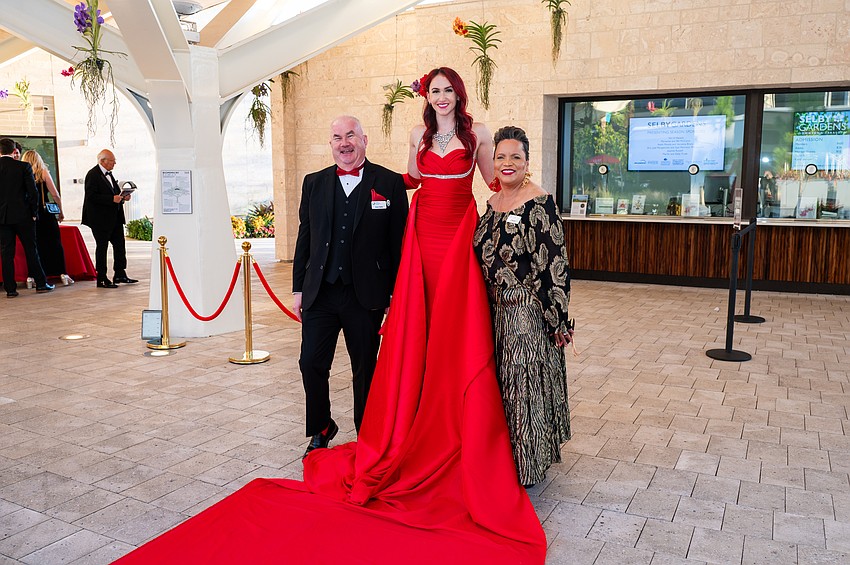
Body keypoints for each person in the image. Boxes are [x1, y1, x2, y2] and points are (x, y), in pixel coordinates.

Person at [113, 69, 546, 565]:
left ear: (458, 95)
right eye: (435, 90)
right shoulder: (414, 137)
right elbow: (411, 181)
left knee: (441, 338)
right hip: (411, 240)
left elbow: (493, 178)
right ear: (426, 96)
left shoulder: (479, 135)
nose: (442, 97)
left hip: (455, 231)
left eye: (449, 90)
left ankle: (427, 421)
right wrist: (306, 284)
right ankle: (338, 428)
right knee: (335, 358)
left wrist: (523, 187)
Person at [292, 115, 408, 457]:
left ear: (364, 139)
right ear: (330, 144)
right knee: (310, 361)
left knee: (365, 369)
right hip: (321, 291)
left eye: (351, 136)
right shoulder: (313, 183)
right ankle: (322, 425)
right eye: (337, 137)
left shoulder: (388, 183)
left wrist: (394, 294)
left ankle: (367, 434)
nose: (344, 143)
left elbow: (397, 243)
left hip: (366, 294)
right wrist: (299, 288)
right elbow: (305, 238)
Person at [473, 125, 572, 487]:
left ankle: (527, 467)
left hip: (523, 313)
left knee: (522, 387)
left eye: (515, 156)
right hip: (490, 312)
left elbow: (556, 266)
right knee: (499, 388)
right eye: (500, 157)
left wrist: (557, 320)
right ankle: (501, 459)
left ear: (527, 162)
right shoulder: (492, 203)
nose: (507, 163)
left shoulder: (539, 202)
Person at [0, 138, 53, 297]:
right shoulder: (23, 167)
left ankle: (10, 289)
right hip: (23, 216)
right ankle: (41, 284)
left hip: (2, 218)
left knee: (6, 253)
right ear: (14, 151)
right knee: (31, 250)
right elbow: (33, 192)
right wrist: (33, 213)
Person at [82, 149, 138, 288]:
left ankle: (120, 273)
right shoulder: (93, 174)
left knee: (120, 245)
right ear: (102, 161)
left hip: (114, 217)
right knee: (102, 247)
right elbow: (91, 196)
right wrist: (111, 198)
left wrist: (122, 197)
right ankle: (101, 277)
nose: (114, 164)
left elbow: (112, 192)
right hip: (100, 219)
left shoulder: (109, 174)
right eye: (112, 161)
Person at [21, 150, 74, 286]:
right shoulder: (43, 172)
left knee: (34, 246)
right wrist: (61, 211)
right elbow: (55, 194)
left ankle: (31, 277)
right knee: (55, 243)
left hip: (29, 214)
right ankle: (63, 274)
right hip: (45, 213)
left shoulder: (21, 173)